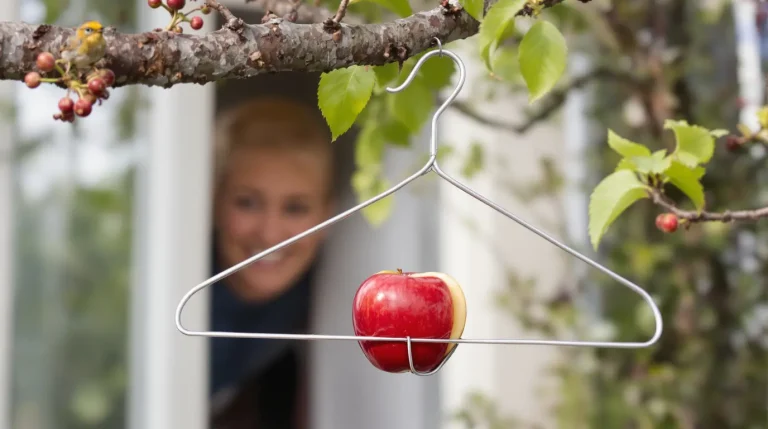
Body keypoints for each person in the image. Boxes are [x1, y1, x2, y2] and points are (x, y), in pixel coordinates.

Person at [207, 96, 338, 429]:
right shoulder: (179, 289)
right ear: (213, 202)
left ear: (328, 216)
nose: (270, 234)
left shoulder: (328, 293)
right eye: (247, 202)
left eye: (295, 208)